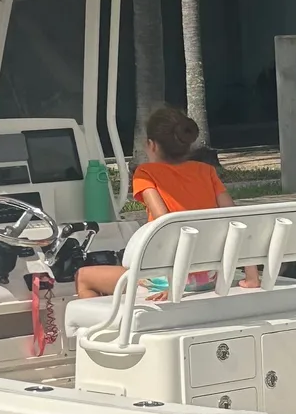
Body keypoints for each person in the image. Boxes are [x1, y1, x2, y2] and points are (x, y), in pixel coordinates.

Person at [74, 106, 250, 299]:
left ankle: (111, 328)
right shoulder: (206, 171)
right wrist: (252, 276)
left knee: (84, 277)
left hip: (171, 280)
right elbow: (236, 219)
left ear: (152, 144)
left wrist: (174, 286)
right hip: (210, 276)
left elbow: (165, 224)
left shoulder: (146, 173)